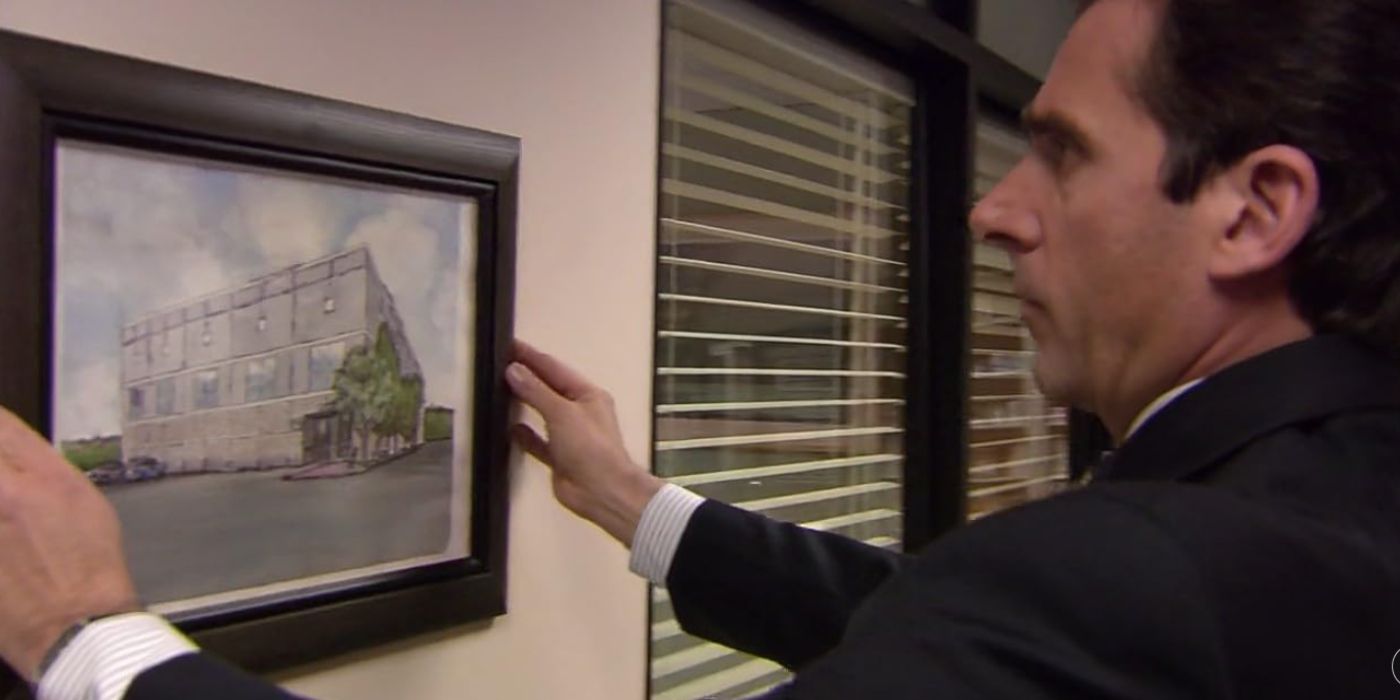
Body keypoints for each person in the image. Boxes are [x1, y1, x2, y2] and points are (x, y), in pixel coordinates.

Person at [5, 0, 1400, 696]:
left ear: (1256, 208)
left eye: (1062, 152)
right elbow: (949, 633)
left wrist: (90, 641)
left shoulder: (1147, 571)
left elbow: (1017, 627)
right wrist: (638, 505)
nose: (994, 209)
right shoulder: (1335, 493)